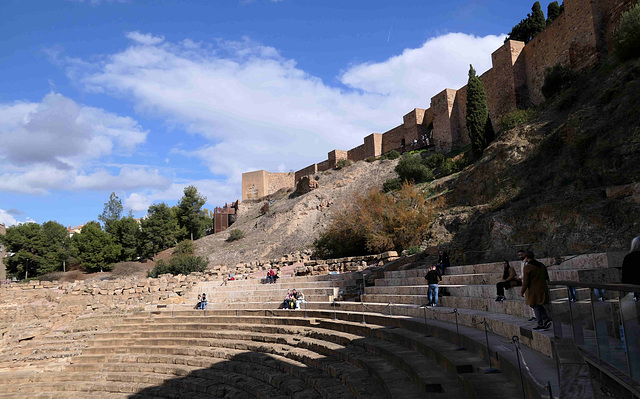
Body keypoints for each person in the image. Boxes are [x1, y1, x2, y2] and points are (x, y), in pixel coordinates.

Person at [520, 251, 552, 331]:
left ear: (526, 258)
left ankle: (540, 324)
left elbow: (526, 281)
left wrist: (522, 291)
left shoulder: (528, 267)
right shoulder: (541, 265)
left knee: (535, 305)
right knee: (538, 305)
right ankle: (546, 318)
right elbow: (546, 277)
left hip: (533, 290)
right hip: (542, 288)